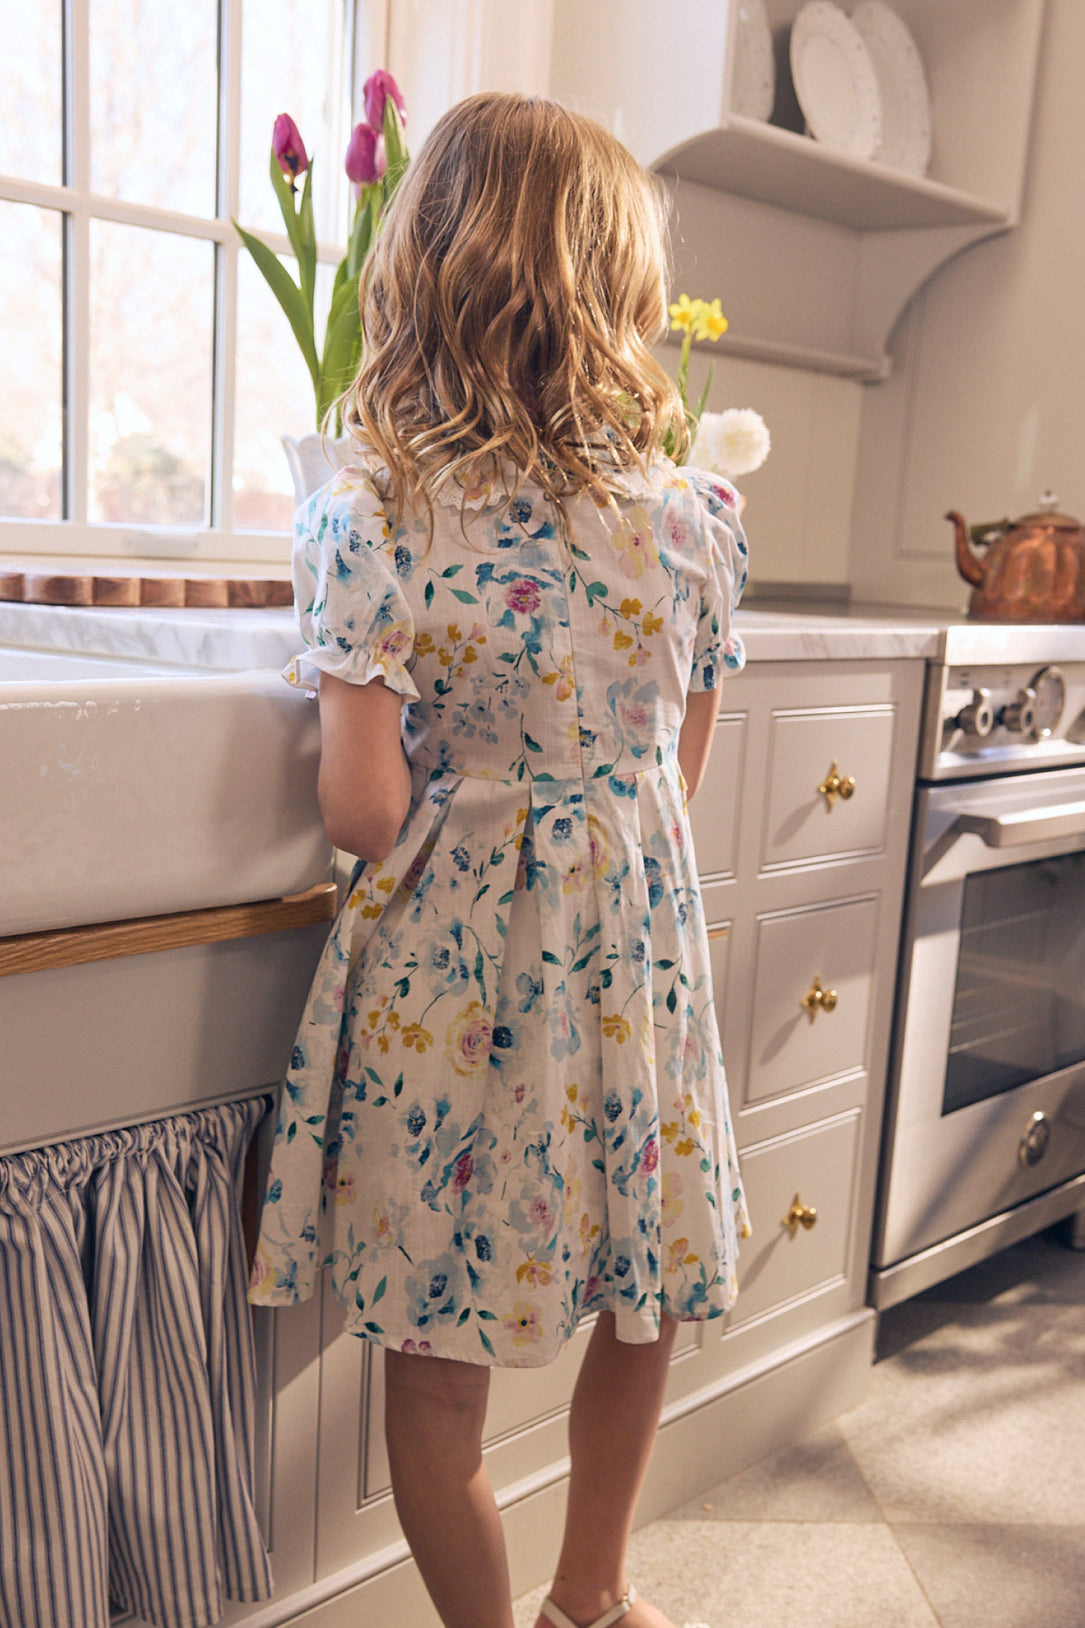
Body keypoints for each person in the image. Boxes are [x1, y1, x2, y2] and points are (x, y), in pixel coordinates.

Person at [249, 91, 751, 1628]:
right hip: (634, 963)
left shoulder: (374, 516)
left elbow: (357, 812)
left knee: (431, 1358)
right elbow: (678, 766)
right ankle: (592, 1594)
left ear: (424, 274)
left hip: (451, 998)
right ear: (620, 296)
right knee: (642, 1283)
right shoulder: (693, 521)